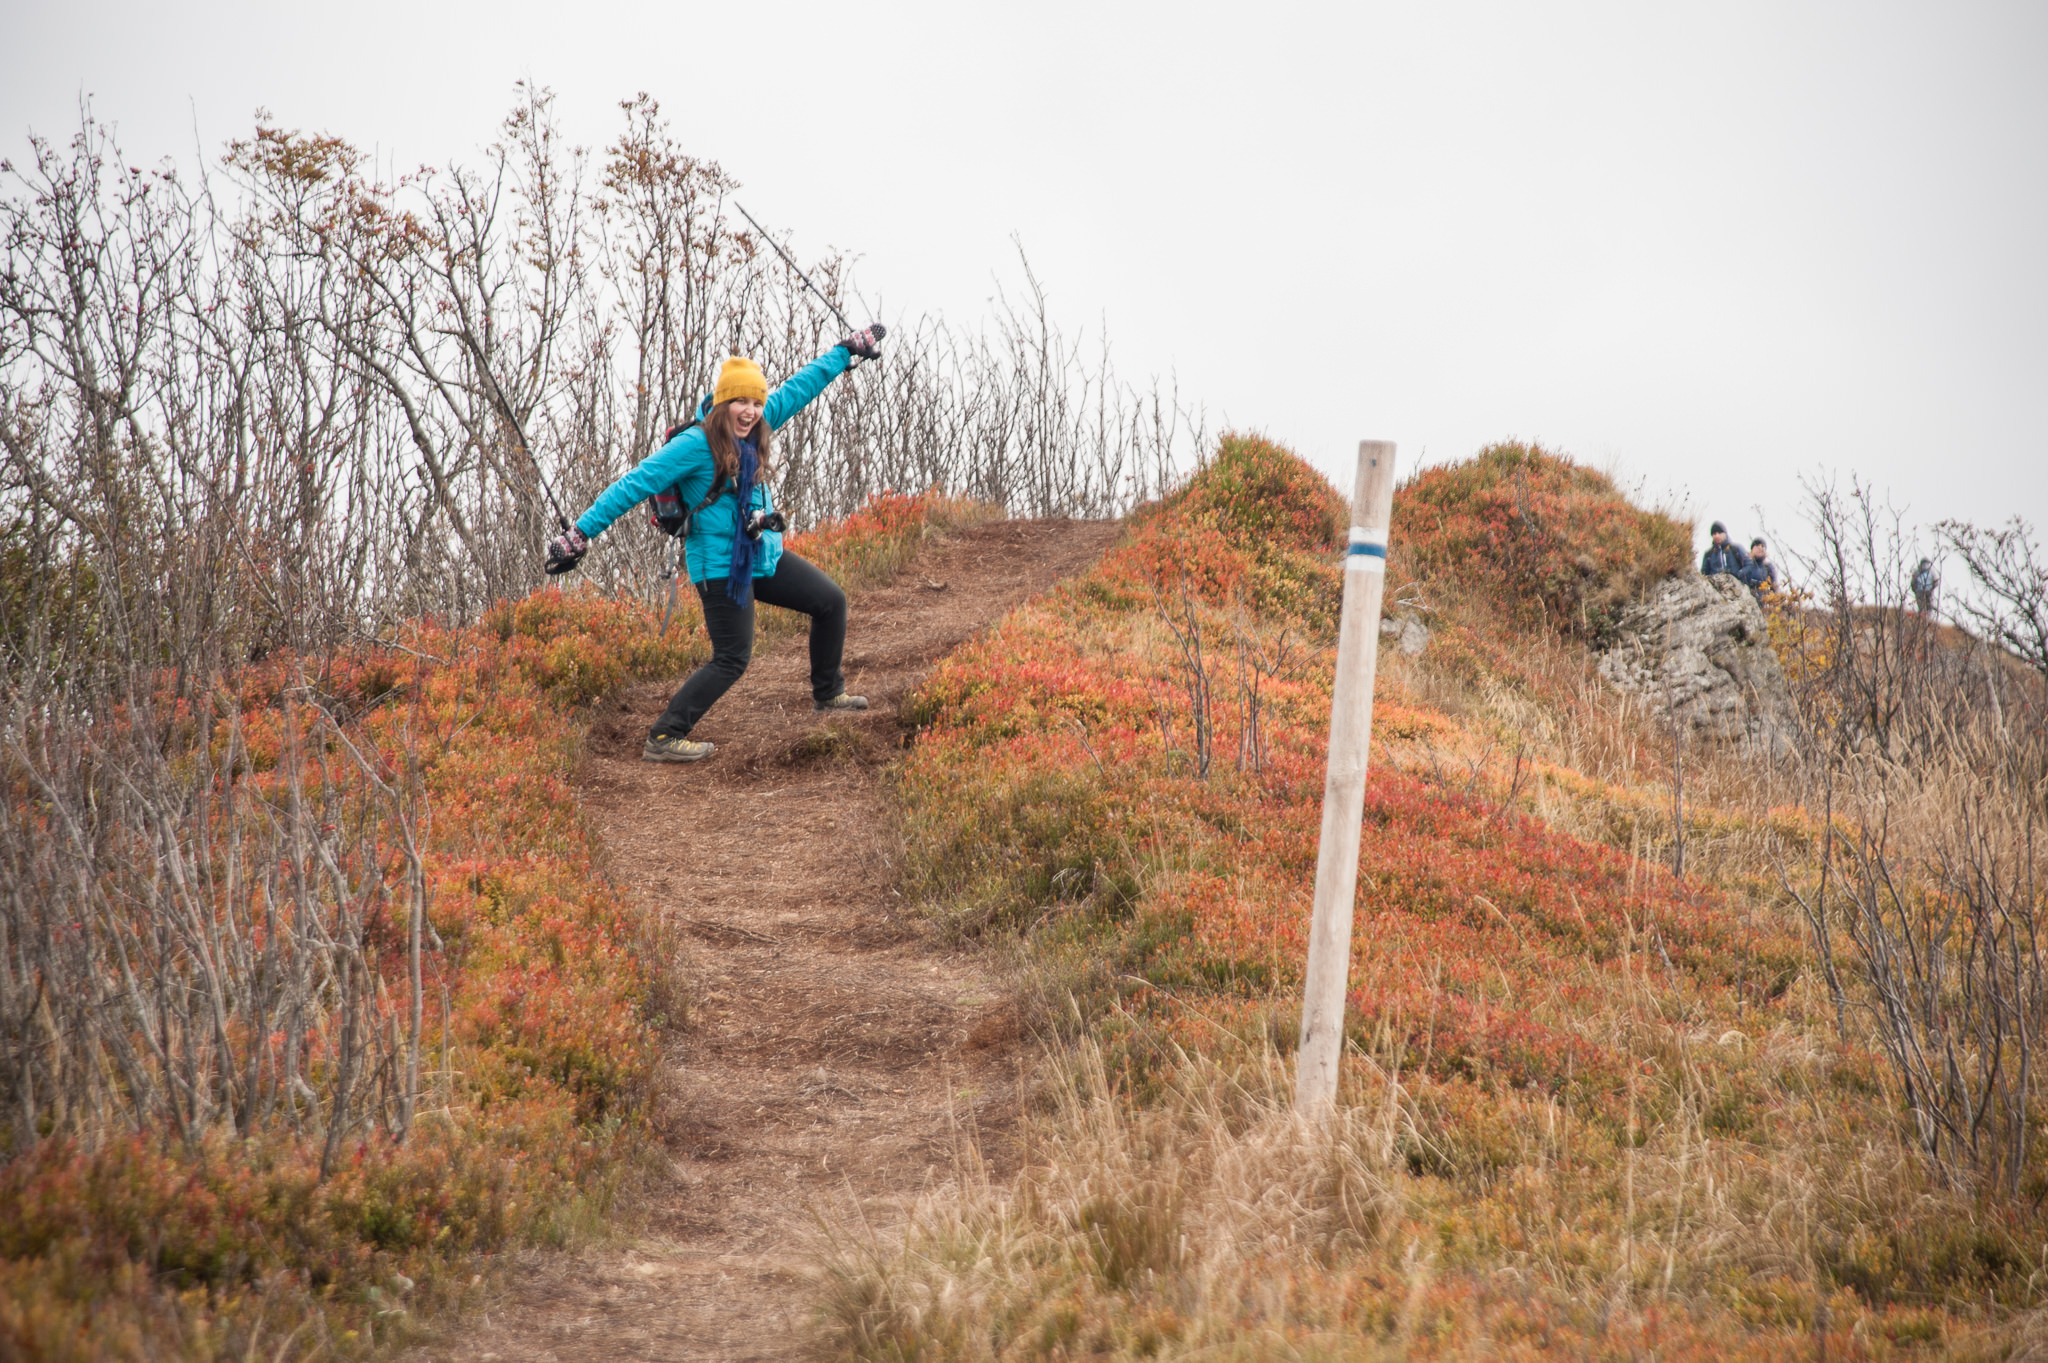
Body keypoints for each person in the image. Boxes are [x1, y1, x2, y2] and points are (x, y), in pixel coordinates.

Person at [544, 327, 886, 762]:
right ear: (723, 403)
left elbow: (802, 385)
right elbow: (633, 485)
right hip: (719, 566)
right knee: (732, 658)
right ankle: (665, 736)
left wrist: (845, 351)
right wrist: (579, 534)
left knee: (830, 601)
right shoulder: (694, 445)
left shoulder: (759, 426)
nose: (750, 411)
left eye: (757, 402)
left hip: (759, 555)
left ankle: (828, 695)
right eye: (741, 402)